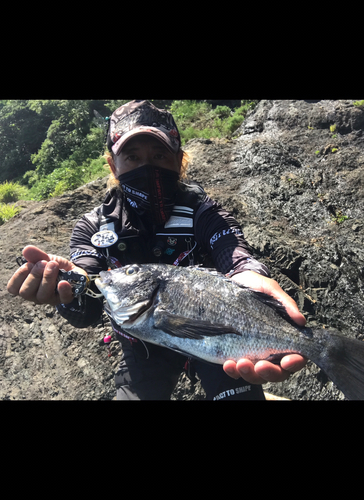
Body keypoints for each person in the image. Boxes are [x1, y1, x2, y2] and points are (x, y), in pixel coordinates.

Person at [7, 100, 307, 400]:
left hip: (216, 336)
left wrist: (253, 275)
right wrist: (68, 287)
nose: (146, 166)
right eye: (132, 156)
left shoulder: (205, 214)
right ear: (114, 165)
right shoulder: (93, 227)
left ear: (179, 161)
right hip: (141, 346)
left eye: (159, 155)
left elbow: (235, 254)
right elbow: (88, 297)